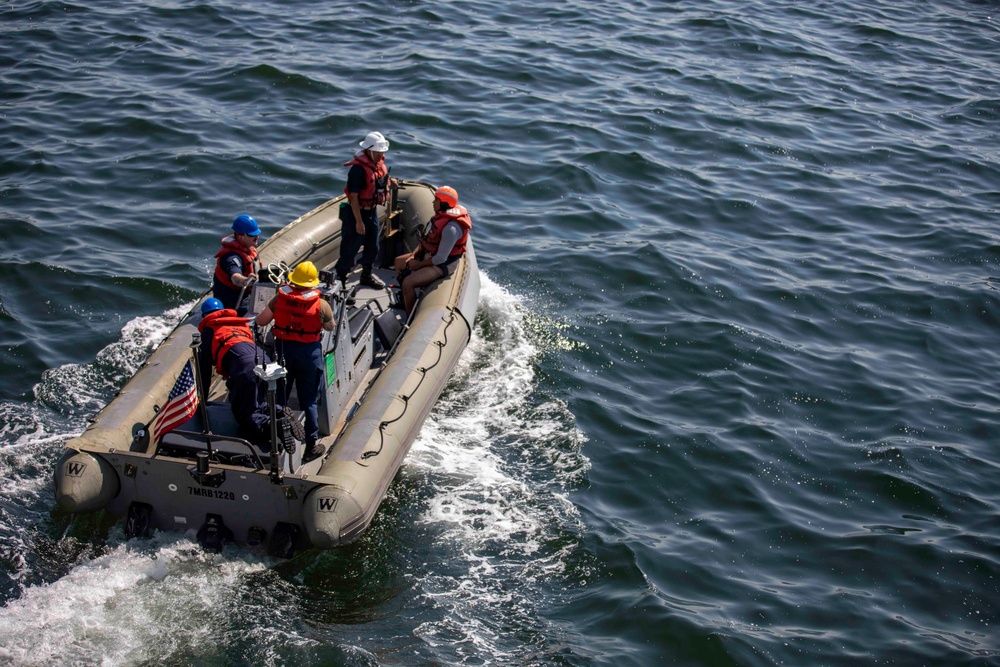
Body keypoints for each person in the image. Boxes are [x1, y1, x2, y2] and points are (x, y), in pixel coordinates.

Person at [197, 298, 304, 451]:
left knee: (246, 415)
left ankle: (273, 426)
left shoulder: (210, 330)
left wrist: (202, 399)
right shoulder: (238, 325)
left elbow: (204, 368)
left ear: (204, 316)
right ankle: (279, 410)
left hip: (244, 367)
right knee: (258, 401)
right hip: (263, 359)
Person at [255, 261, 335, 463]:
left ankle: (279, 439)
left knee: (279, 399)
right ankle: (311, 446)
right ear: (312, 284)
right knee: (308, 401)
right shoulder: (321, 304)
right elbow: (330, 327)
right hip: (309, 355)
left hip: (283, 352)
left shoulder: (279, 299)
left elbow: (261, 321)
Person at [393, 186, 472, 314]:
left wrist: (418, 265)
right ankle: (405, 298)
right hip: (429, 255)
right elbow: (426, 240)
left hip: (441, 265)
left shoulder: (451, 228)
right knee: (398, 262)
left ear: (444, 203)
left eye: (436, 200)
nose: (433, 202)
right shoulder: (439, 218)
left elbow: (440, 258)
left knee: (408, 283)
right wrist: (413, 256)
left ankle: (410, 317)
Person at [334, 131, 396, 289]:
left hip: (371, 211)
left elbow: (379, 182)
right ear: (369, 150)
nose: (381, 154)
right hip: (357, 213)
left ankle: (366, 276)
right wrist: (359, 222)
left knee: (373, 246)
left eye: (382, 151)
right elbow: (354, 197)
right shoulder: (357, 170)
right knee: (349, 249)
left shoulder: (377, 165)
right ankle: (340, 284)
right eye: (378, 151)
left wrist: (390, 182)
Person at [213, 214, 261, 313]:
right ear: (241, 237)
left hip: (247, 294)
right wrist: (245, 281)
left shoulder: (249, 249)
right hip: (232, 300)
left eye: (257, 234)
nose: (256, 237)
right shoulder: (231, 258)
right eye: (252, 235)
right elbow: (235, 277)